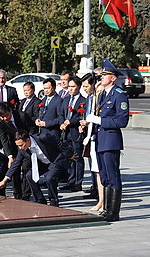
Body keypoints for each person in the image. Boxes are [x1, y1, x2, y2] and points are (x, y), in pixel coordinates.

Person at [86, 59, 129, 222]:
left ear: (113, 78)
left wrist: (100, 121)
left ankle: (114, 212)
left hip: (110, 140)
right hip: (100, 140)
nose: (101, 77)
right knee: (104, 176)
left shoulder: (119, 95)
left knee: (112, 175)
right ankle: (107, 208)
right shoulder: (103, 94)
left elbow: (122, 121)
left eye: (105, 75)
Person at [0, 130, 77, 207]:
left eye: (21, 145)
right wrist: (5, 180)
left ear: (28, 140)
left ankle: (54, 200)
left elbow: (59, 143)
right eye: (18, 145)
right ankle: (40, 199)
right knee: (29, 175)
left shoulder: (43, 137)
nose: (20, 147)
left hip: (54, 160)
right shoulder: (22, 150)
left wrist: (69, 155)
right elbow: (16, 163)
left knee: (49, 178)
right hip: (42, 164)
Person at [0, 101, 32, 200]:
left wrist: (29, 143)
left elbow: (32, 129)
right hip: (13, 147)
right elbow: (3, 139)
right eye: (1, 117)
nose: (4, 118)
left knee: (26, 168)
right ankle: (17, 194)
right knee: (14, 169)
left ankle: (26, 195)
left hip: (26, 144)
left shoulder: (22, 116)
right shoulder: (0, 122)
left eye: (6, 115)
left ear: (10, 110)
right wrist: (10, 156)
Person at [79, 73, 104, 211]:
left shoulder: (100, 98)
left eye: (86, 86)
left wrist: (89, 120)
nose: (85, 89)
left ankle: (104, 200)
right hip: (91, 136)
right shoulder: (90, 98)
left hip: (100, 136)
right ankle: (100, 200)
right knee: (96, 171)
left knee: (101, 171)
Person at [59, 76, 86, 192]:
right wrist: (62, 123)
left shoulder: (83, 101)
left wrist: (71, 121)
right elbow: (61, 113)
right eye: (69, 86)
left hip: (76, 132)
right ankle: (70, 181)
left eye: (73, 87)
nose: (70, 89)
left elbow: (81, 116)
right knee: (69, 157)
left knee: (78, 158)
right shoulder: (66, 99)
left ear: (79, 87)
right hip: (66, 132)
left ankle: (78, 182)